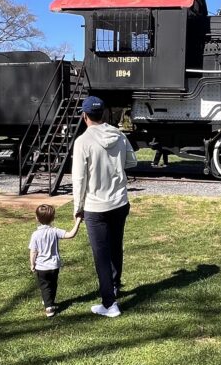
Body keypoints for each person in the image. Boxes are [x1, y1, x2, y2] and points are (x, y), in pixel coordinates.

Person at [72, 96, 137, 318]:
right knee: (115, 247)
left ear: (85, 116)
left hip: (95, 206)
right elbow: (132, 162)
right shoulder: (119, 135)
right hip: (120, 202)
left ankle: (109, 304)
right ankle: (115, 287)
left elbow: (79, 180)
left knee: (101, 254)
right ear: (104, 115)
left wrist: (77, 207)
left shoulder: (82, 141)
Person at [28, 204, 82, 317]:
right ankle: (50, 301)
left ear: (37, 218)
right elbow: (71, 234)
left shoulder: (35, 235)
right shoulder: (55, 231)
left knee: (44, 286)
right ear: (53, 218)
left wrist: (32, 264)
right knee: (53, 285)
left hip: (41, 267)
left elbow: (33, 252)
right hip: (54, 266)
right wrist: (78, 221)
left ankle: (49, 308)